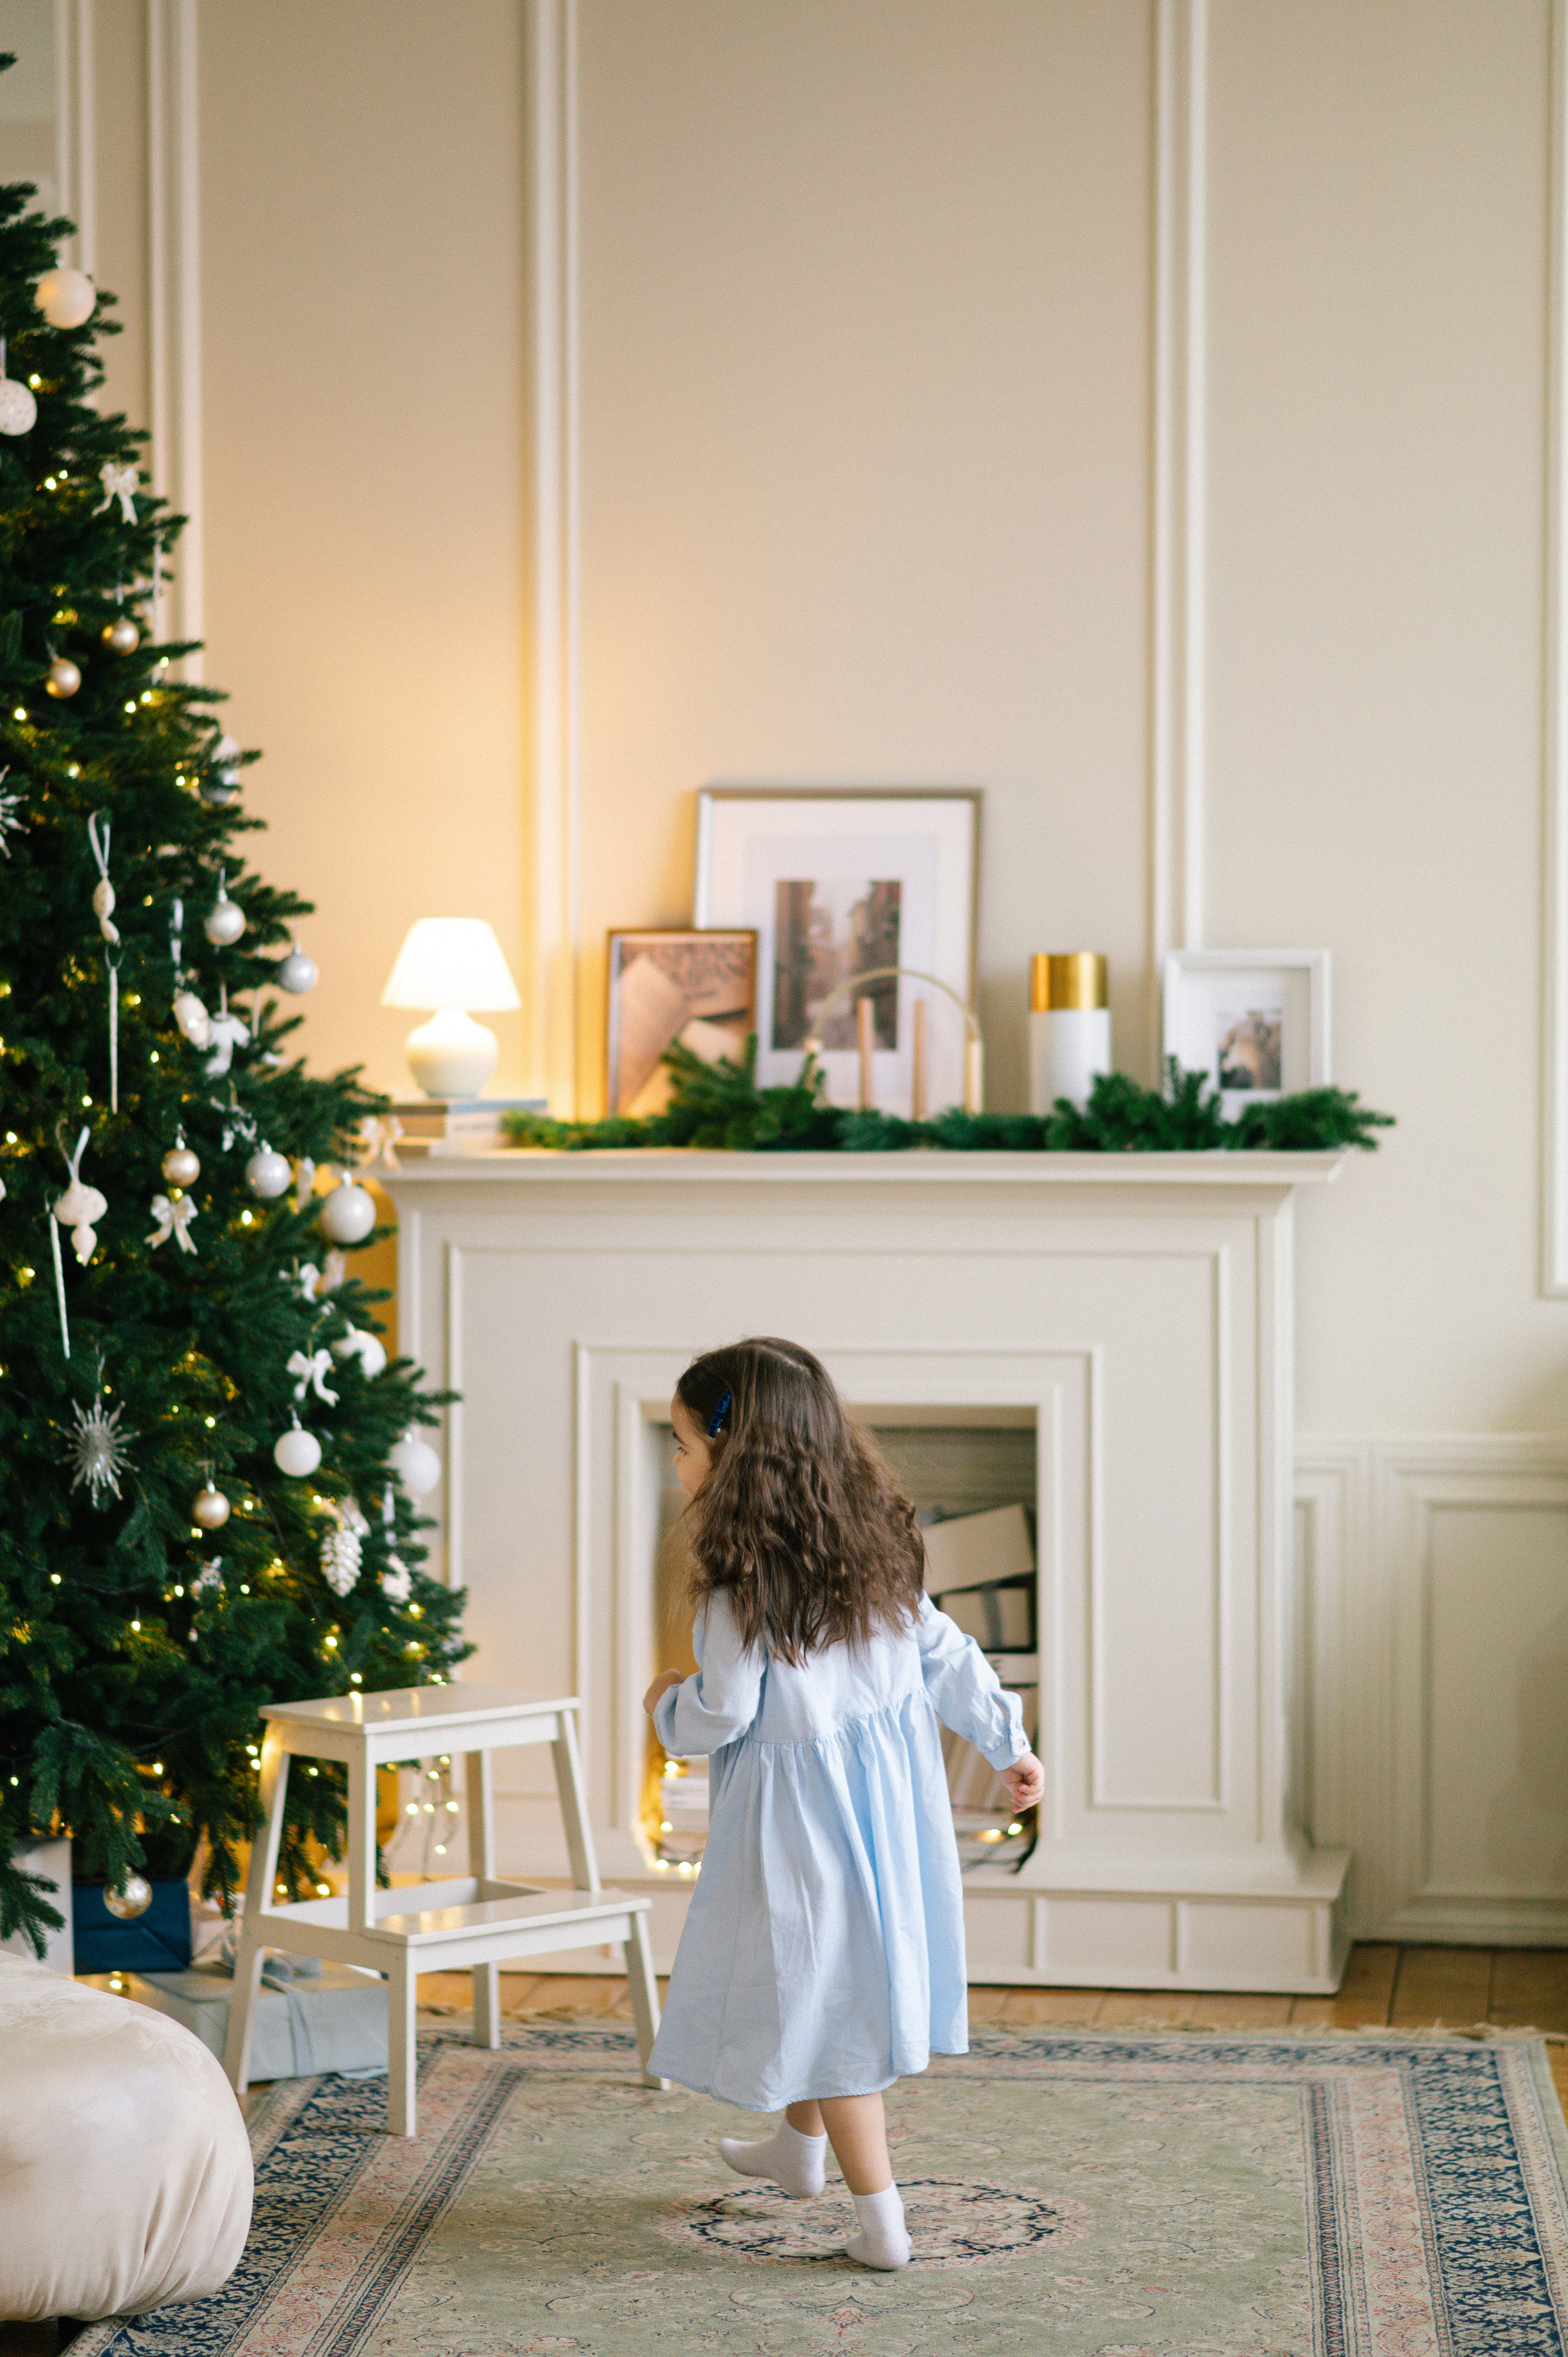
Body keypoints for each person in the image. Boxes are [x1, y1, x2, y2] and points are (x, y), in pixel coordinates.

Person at [643, 1337, 1046, 2271]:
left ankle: (882, 2223)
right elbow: (946, 1652)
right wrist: (1009, 1743)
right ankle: (799, 2149)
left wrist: (666, 1703)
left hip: (800, 1835)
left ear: (728, 1453)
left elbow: (723, 1711)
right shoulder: (877, 1553)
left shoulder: (739, 1590)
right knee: (823, 1989)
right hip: (888, 1823)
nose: (676, 1462)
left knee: (835, 2026)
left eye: (681, 1445)